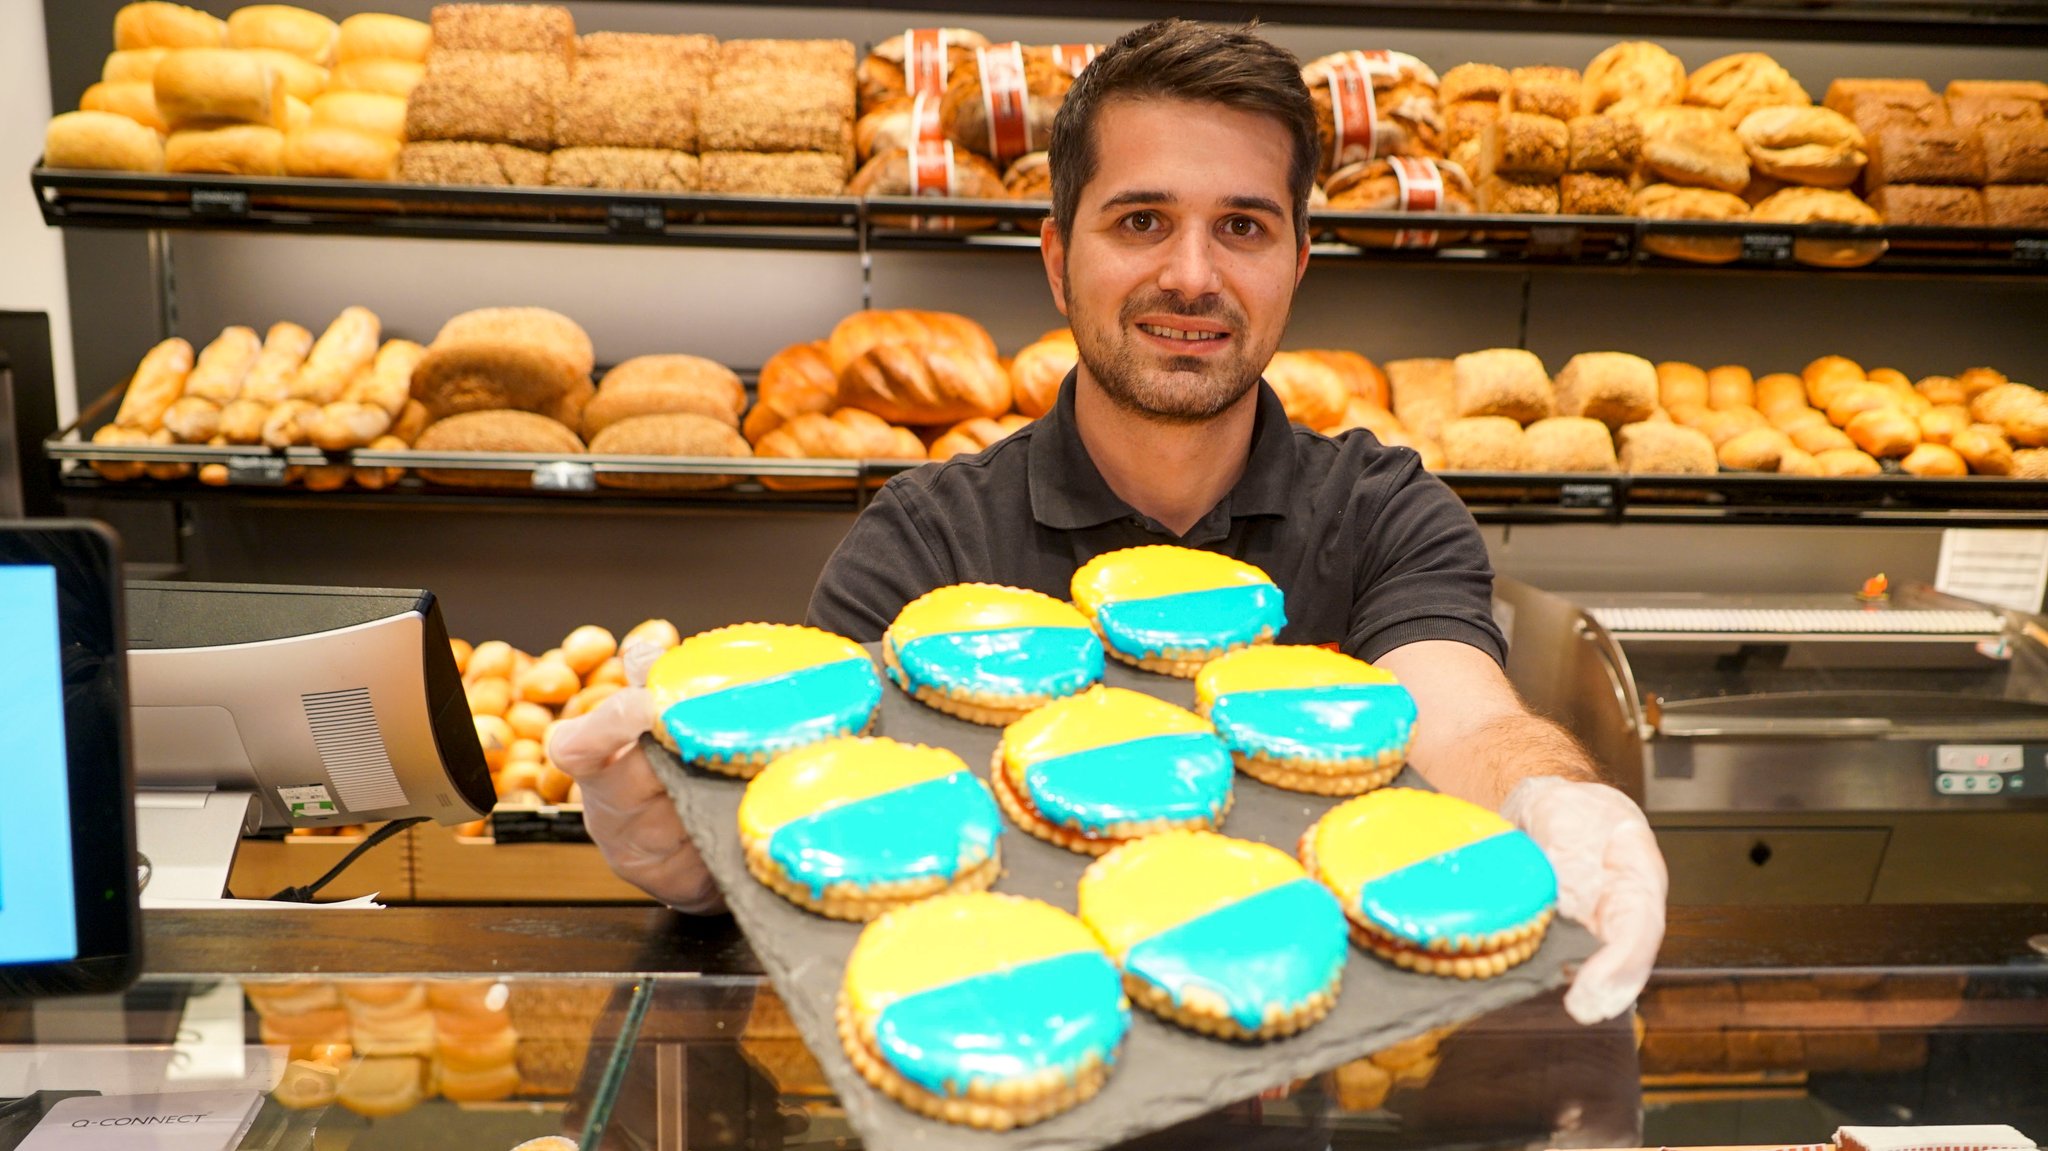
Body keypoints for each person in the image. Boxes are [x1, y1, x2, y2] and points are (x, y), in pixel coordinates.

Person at [551, 18, 1667, 1027]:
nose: (1191, 274)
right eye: (1141, 220)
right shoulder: (929, 541)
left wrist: (1550, 794)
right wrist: (696, 846)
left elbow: (1459, 716)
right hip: (1004, 1050)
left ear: (1294, 266)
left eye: (1242, 225)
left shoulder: (1382, 508)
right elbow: (826, 803)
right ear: (1056, 259)